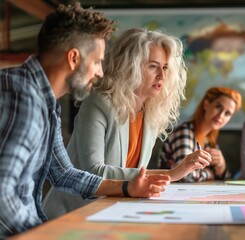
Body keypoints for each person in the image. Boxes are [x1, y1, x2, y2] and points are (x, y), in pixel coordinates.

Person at [0, 4, 172, 237]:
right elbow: (2, 193)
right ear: (73, 58)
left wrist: (126, 187)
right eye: (97, 62)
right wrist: (41, 234)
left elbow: (63, 173)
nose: (101, 72)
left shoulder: (46, 103)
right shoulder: (25, 99)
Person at [43, 28, 212, 219]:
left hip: (114, 212)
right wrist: (171, 174)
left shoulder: (151, 112)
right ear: (130, 66)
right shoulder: (98, 104)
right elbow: (94, 171)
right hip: (74, 215)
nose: (162, 76)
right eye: (153, 66)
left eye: (165, 68)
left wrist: (177, 171)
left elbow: (136, 174)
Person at [158, 86, 242, 182]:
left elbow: (226, 179)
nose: (221, 115)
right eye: (218, 107)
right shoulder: (184, 132)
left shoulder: (209, 140)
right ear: (206, 104)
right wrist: (210, 173)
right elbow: (186, 176)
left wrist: (222, 165)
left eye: (227, 113)